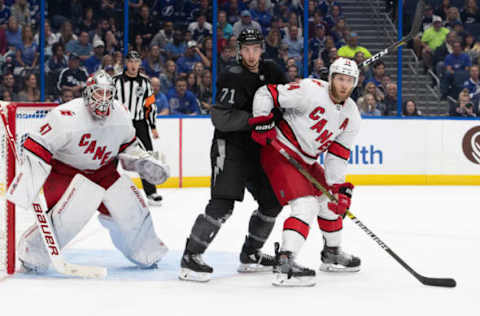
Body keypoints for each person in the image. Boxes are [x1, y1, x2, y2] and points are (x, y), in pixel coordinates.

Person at [6, 70, 170, 273]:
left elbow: (126, 147)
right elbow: (38, 145)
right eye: (98, 93)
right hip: (66, 173)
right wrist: (29, 178)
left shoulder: (121, 114)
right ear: (87, 93)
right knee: (71, 214)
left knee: (130, 206)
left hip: (104, 172)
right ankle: (33, 254)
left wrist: (140, 161)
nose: (103, 99)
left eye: (108, 93)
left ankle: (146, 252)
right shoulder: (66, 116)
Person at [179, 28, 288, 282]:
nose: (251, 55)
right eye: (246, 50)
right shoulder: (232, 76)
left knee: (272, 201)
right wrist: (255, 120)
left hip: (259, 150)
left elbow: (292, 95)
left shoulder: (272, 71)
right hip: (230, 148)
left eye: (255, 49)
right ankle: (190, 256)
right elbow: (220, 117)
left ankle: (250, 254)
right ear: (240, 51)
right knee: (222, 205)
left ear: (262, 49)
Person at [249, 57, 361, 287]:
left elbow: (337, 156)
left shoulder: (351, 114)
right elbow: (266, 93)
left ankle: (332, 253)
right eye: (339, 79)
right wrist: (261, 120)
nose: (343, 85)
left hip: (307, 161)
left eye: (349, 81)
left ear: (355, 83)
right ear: (330, 78)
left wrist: (338, 188)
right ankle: (285, 263)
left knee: (331, 200)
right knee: (306, 205)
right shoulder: (310, 90)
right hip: (280, 151)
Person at [113, 51, 163, 206]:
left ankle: (151, 192)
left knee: (146, 156)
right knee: (111, 156)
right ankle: (105, 190)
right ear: (126, 63)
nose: (134, 65)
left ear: (140, 63)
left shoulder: (146, 83)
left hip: (140, 123)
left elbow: (150, 106)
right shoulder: (115, 81)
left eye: (137, 61)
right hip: (120, 123)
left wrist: (153, 126)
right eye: (131, 61)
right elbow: (110, 104)